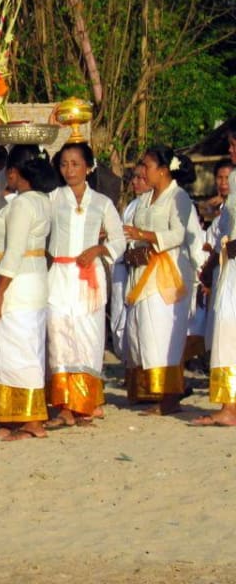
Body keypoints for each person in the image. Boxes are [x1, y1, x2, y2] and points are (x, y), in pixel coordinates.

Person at [46, 142, 126, 428]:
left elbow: (119, 239)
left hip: (88, 279)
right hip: (58, 276)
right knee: (58, 336)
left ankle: (85, 404)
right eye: (64, 164)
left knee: (88, 338)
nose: (69, 170)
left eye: (75, 164)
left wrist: (99, 250)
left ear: (88, 167)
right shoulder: (52, 198)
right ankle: (65, 407)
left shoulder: (102, 202)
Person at [0, 145, 56, 441]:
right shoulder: (38, 200)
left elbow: (14, 252)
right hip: (28, 282)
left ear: (14, 172)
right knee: (8, 352)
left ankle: (33, 420)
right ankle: (12, 416)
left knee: (20, 352)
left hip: (16, 286)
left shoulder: (24, 204)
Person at [122, 145, 195, 416]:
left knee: (164, 335)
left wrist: (144, 235)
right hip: (142, 270)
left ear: (163, 170)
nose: (143, 170)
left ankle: (171, 397)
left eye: (147, 166)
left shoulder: (179, 196)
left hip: (166, 273)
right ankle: (156, 391)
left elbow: (178, 234)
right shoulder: (145, 198)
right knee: (144, 333)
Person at [193, 127, 236, 426]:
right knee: (225, 330)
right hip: (230, 266)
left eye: (234, 145)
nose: (231, 150)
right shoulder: (234, 179)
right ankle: (229, 405)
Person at [110, 163, 152, 366]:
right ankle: (130, 367)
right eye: (134, 177)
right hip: (124, 266)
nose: (135, 182)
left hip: (146, 268)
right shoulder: (132, 205)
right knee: (121, 317)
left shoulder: (154, 205)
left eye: (140, 178)